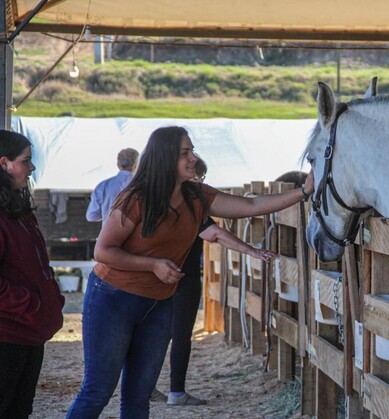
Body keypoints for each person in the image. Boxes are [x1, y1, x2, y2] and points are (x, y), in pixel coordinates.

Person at [66, 126, 313, 419]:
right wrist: (153, 265)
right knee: (97, 391)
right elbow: (103, 251)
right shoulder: (135, 198)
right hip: (113, 299)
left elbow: (252, 205)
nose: (193, 158)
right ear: (165, 157)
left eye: (192, 151)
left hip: (158, 304)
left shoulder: (195, 195)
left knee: (138, 396)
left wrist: (304, 191)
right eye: (185, 153)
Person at [152, 157, 277, 406]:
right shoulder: (189, 205)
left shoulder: (158, 199)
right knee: (180, 334)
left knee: (156, 333)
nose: (201, 184)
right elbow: (216, 234)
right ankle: (176, 391)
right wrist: (252, 250)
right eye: (199, 178)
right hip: (182, 277)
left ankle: (145, 385)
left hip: (154, 276)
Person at [0, 130, 65, 419]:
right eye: (26, 161)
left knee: (20, 409)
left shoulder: (18, 208)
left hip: (28, 332)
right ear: (4, 164)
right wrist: (30, 302)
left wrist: (50, 298)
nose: (32, 168)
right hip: (7, 333)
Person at [85, 147, 139, 222]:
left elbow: (91, 216)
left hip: (109, 232)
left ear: (118, 164)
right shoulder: (145, 186)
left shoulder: (102, 186)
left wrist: (107, 214)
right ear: (136, 165)